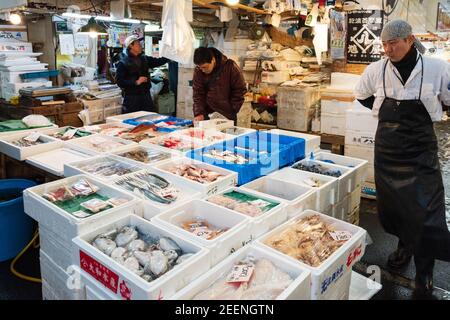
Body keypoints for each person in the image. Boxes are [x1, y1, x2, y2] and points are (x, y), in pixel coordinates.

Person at [354, 19, 450, 297]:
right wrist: (386, 111)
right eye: (384, 44)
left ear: (409, 39)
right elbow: (362, 95)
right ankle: (404, 247)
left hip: (420, 150)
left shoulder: (437, 68)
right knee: (396, 208)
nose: (388, 49)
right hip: (389, 150)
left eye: (393, 43)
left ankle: (425, 269)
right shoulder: (375, 69)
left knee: (426, 212)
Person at [116, 35, 170, 114]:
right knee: (132, 121)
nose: (141, 46)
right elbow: (119, 82)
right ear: (131, 45)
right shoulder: (123, 63)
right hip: (132, 98)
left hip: (146, 96)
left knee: (150, 119)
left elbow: (158, 61)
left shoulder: (144, 58)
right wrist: (136, 82)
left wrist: (170, 56)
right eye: (138, 44)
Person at [192, 47, 246, 122]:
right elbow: (198, 94)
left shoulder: (230, 67)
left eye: (205, 67)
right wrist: (199, 113)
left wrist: (232, 109)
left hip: (227, 116)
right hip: (207, 116)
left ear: (213, 60)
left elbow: (240, 89)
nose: (203, 70)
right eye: (200, 67)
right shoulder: (198, 71)